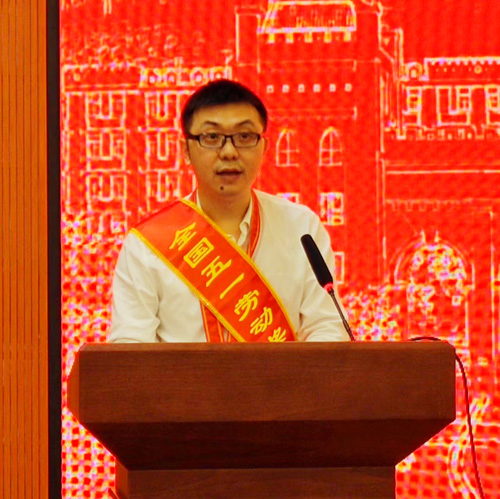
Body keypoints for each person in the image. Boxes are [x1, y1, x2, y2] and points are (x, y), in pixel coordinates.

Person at [109, 79, 350, 343]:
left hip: (282, 374)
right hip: (183, 375)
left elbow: (326, 327)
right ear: (186, 150)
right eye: (211, 137)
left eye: (244, 137)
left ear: (264, 147)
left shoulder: (301, 228)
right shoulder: (147, 245)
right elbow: (130, 347)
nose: (228, 152)